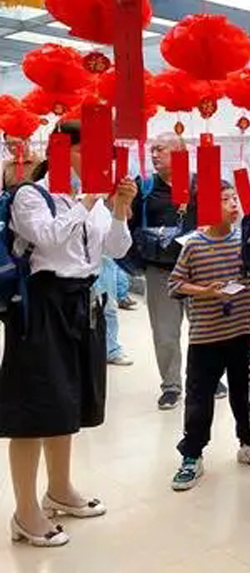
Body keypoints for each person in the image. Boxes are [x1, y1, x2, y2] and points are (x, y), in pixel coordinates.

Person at [0, 121, 136, 547]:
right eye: (90, 152)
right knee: (33, 410)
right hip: (40, 308)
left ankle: (59, 488)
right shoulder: (30, 194)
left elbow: (116, 249)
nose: (101, 162)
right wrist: (89, 198)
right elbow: (47, 237)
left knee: (67, 402)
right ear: (64, 151)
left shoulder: (89, 197)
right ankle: (24, 512)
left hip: (82, 304)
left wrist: (117, 210)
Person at [167, 183, 250, 490]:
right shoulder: (194, 245)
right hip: (205, 337)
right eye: (224, 199)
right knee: (199, 398)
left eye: (234, 198)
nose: (233, 204)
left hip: (242, 332)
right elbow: (174, 285)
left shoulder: (245, 241)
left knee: (244, 392)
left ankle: (248, 442)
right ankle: (192, 455)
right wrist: (204, 291)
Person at [130, 133, 209, 411]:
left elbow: (217, 220)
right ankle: (172, 385)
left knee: (203, 328)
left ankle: (207, 378)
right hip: (160, 269)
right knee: (165, 332)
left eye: (160, 149)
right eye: (152, 150)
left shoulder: (203, 182)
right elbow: (129, 223)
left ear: (180, 152)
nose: (154, 155)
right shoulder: (146, 186)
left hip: (199, 269)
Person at [95, 256, 133, 366]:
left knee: (109, 307)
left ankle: (111, 350)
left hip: (105, 262)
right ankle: (109, 350)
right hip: (86, 263)